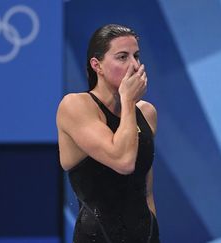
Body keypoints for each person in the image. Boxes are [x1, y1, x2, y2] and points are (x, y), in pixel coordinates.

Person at [56, 24, 160, 243]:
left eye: (136, 56)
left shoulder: (146, 112)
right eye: (122, 57)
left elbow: (146, 190)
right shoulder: (75, 106)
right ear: (97, 66)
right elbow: (122, 161)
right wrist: (129, 102)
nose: (134, 65)